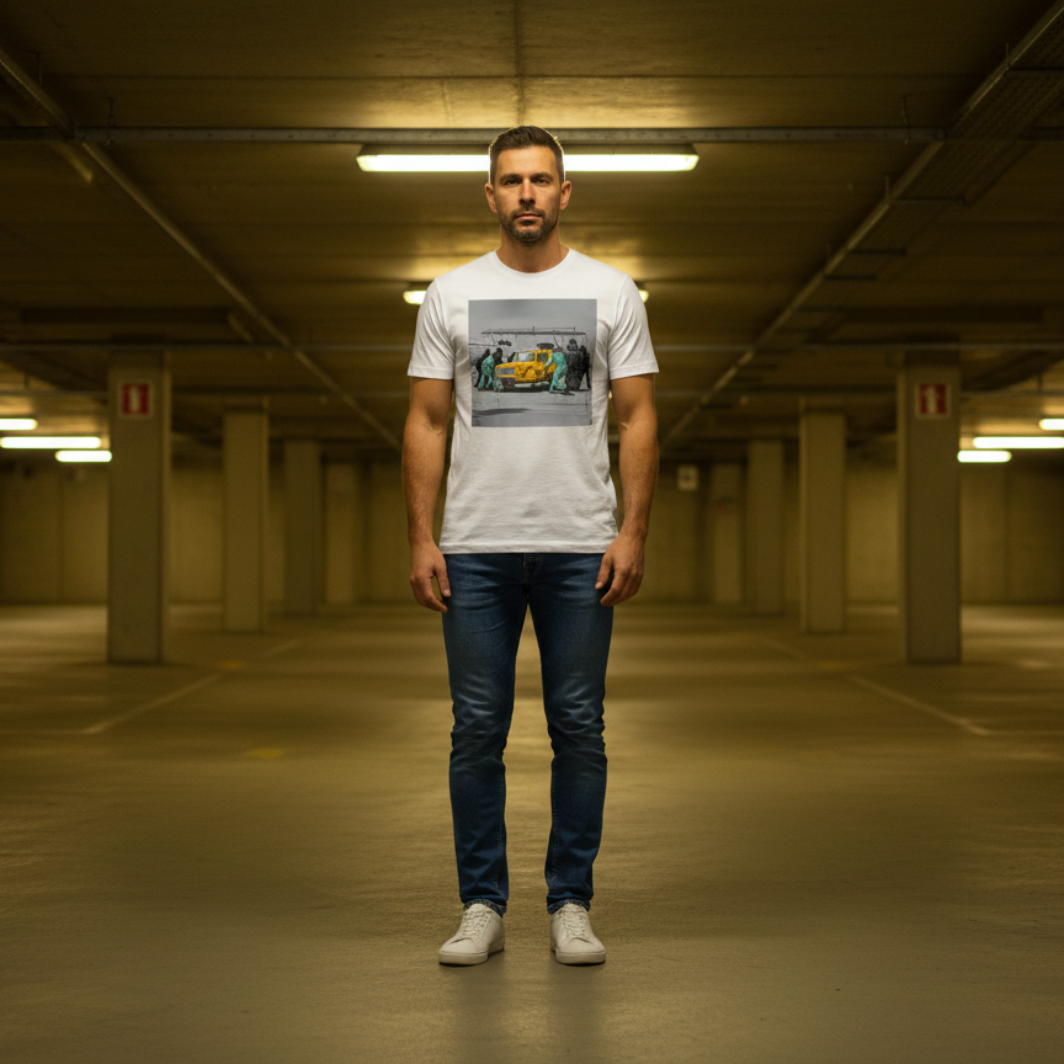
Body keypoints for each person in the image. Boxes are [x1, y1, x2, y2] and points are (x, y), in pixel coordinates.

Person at [402, 125, 659, 967]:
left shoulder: (614, 291)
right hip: (475, 545)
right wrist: (423, 536)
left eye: (540, 180)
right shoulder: (448, 293)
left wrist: (631, 529)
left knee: (577, 727)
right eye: (510, 180)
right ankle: (481, 904)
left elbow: (637, 416)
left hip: (578, 543)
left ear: (564, 193)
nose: (525, 195)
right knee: (477, 729)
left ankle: (571, 902)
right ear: (489, 194)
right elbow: (428, 419)